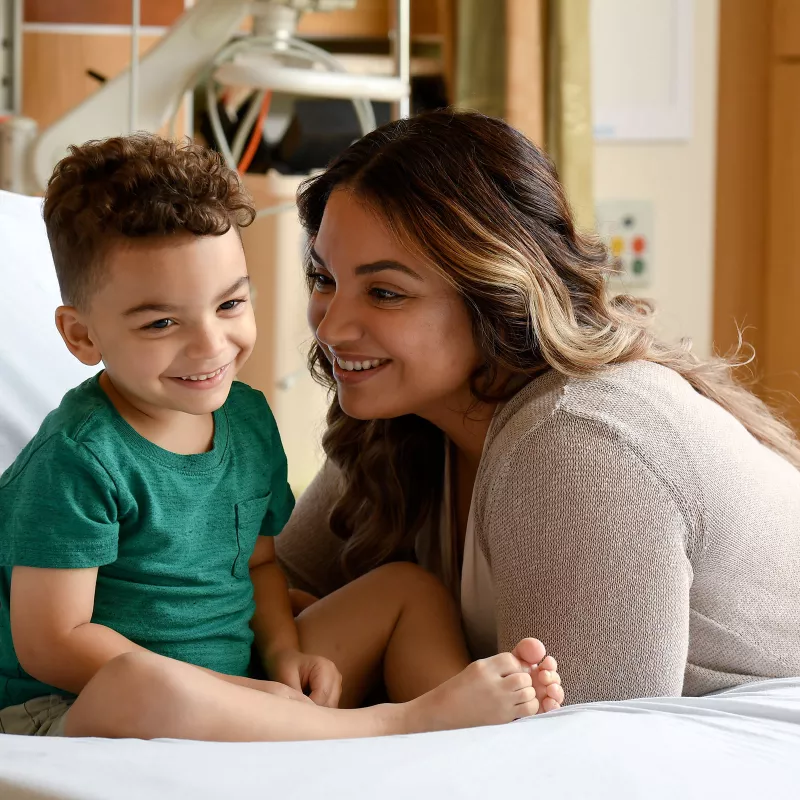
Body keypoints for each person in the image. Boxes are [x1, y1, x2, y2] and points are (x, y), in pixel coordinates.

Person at [0, 134, 563, 741]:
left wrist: (284, 654)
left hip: (242, 679)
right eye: (162, 322)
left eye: (229, 305)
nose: (210, 346)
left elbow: (261, 565)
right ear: (82, 336)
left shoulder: (245, 418)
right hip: (80, 708)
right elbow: (53, 644)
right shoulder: (78, 458)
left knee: (406, 590)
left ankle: (475, 749)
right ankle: (398, 725)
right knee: (145, 683)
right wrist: (228, 692)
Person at [277, 109, 800, 705]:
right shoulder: (403, 423)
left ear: (497, 295)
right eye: (324, 279)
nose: (333, 325)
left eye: (386, 293)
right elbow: (261, 602)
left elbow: (586, 753)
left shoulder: (577, 444)